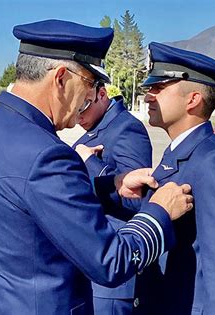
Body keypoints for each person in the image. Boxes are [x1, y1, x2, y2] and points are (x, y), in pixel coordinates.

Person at [0, 19, 194, 314]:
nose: (88, 98)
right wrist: (159, 212)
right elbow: (110, 262)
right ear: (60, 78)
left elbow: (21, 197)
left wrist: (109, 185)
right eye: (90, 84)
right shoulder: (44, 154)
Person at [132, 42, 215, 314]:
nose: (148, 96)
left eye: (158, 88)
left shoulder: (214, 162)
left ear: (193, 99)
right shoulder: (181, 152)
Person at [73, 83, 152, 314]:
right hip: (92, 266)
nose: (79, 116)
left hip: (112, 280)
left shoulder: (126, 128)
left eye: (84, 107)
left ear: (101, 94)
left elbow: (137, 198)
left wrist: (90, 163)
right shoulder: (96, 129)